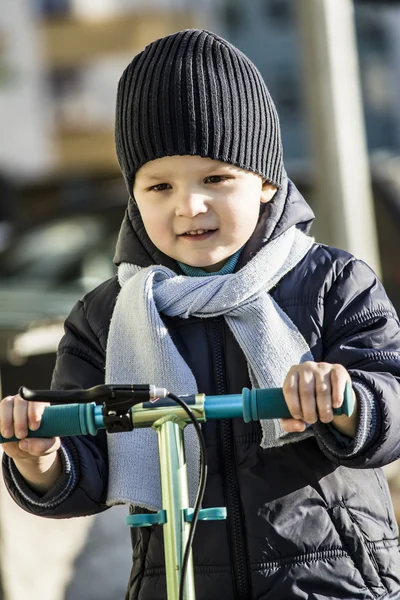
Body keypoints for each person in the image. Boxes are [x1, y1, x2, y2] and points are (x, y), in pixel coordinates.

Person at [1, 29, 400, 600]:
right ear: (134, 195)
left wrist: (345, 399)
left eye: (215, 178)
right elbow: (84, 468)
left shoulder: (330, 283)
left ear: (265, 181)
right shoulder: (107, 318)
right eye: (159, 185)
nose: (189, 205)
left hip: (331, 581)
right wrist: (42, 458)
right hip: (178, 580)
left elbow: (392, 394)